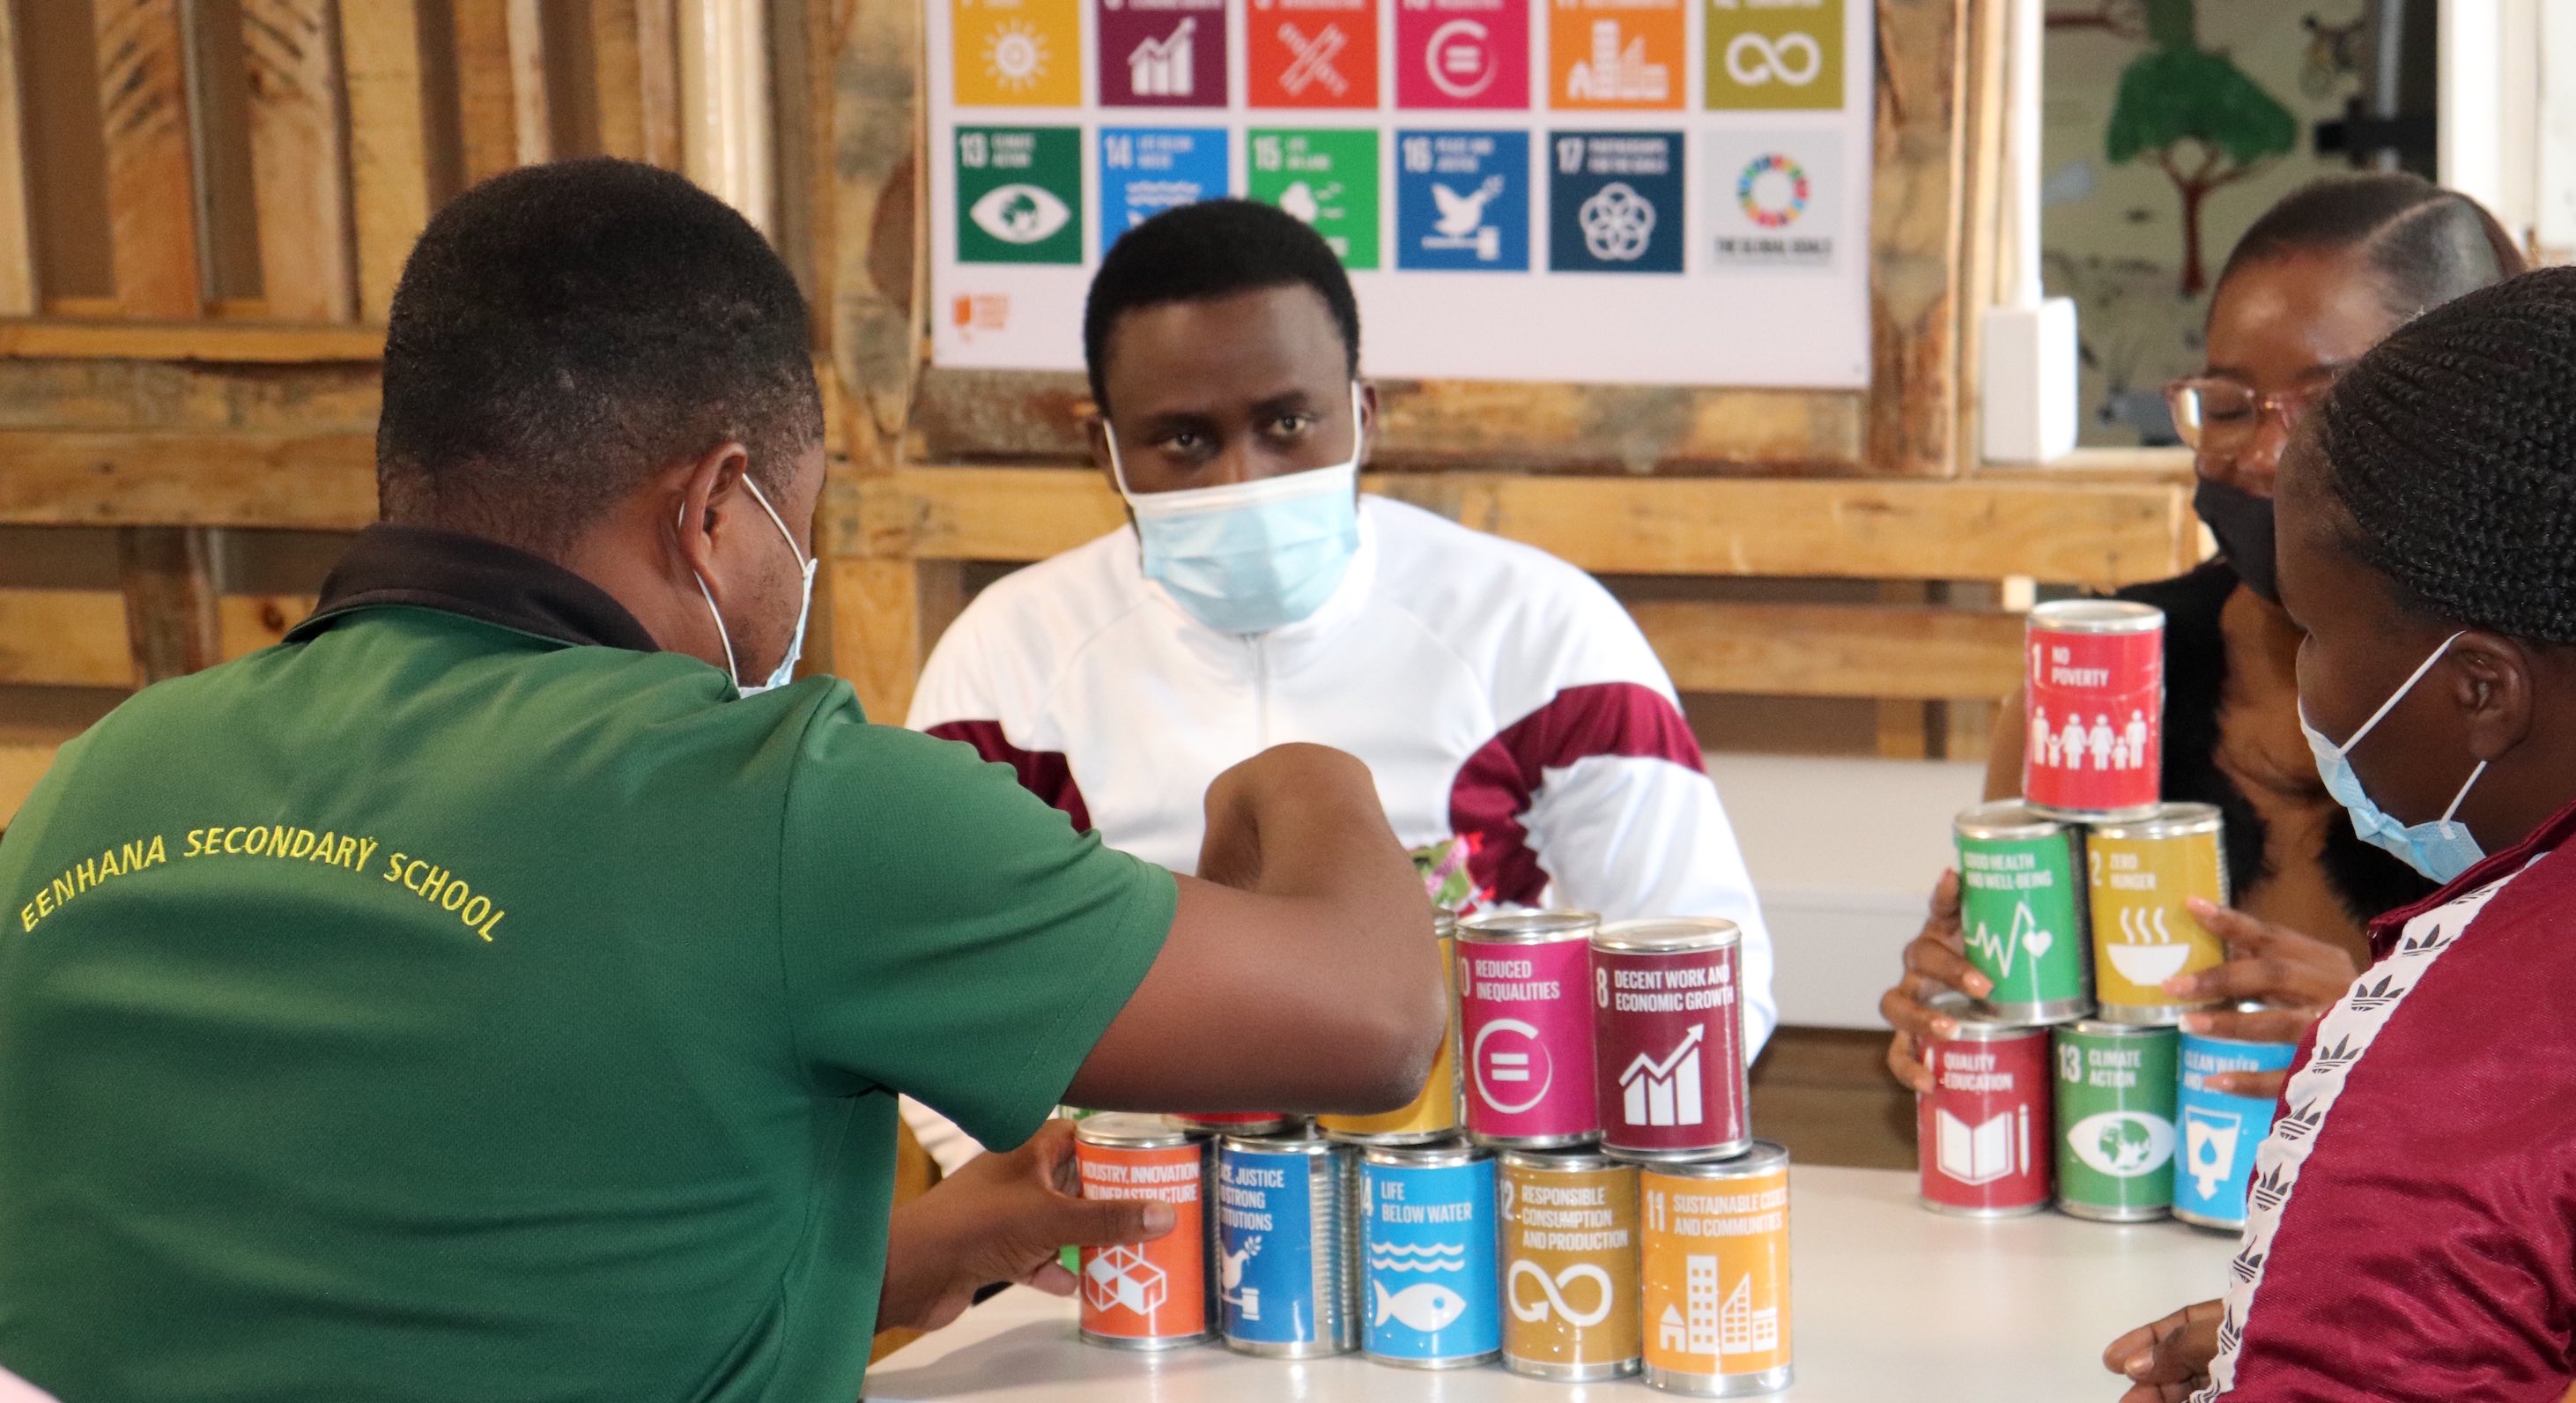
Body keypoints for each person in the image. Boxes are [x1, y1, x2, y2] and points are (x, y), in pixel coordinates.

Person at [0, 161, 1444, 1402]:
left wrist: (896, 1255)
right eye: (801, 528)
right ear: (713, 508)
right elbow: (1376, 1021)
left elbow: (388, 1256)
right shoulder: (780, 800)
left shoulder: (102, 776)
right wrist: (1299, 772)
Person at [902, 199, 1771, 1162]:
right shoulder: (1007, 663)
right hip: (1126, 1223)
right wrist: (1043, 1205)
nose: (1241, 477)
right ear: (1103, 451)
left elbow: (1706, 977)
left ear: (1362, 415)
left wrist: (1555, 1188)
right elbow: (921, 987)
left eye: (1286, 423)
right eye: (1183, 440)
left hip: (1477, 1207)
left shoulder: (1541, 634)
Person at [2107, 261, 2576, 1400]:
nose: (2301, 679)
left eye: (2314, 629)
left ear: (2480, 689)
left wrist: (2319, 1335)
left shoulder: (2467, 1071)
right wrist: (2295, 1318)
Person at [1881, 174, 2522, 1101]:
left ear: (2464, 415)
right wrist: (1970, 1012)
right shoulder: (2097, 699)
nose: (2261, 454)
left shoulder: (2552, 714)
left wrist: (2388, 1047)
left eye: (2326, 402)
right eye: (2225, 406)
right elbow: (2066, 1065)